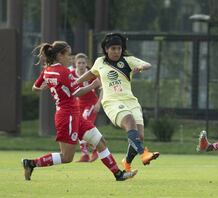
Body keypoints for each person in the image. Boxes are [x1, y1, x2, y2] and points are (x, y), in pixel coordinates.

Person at [22, 41, 137, 181]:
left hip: (73, 114)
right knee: (66, 157)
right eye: (68, 55)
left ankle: (118, 174)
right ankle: (31, 163)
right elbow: (76, 93)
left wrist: (46, 87)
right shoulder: (64, 72)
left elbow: (35, 87)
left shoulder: (46, 70)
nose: (70, 58)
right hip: (67, 116)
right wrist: (93, 85)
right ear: (59, 55)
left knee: (100, 142)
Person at [76, 33, 159, 172]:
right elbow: (90, 73)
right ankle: (143, 153)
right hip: (112, 102)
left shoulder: (128, 60)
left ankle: (126, 161)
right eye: (113, 48)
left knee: (140, 136)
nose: (116, 51)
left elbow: (148, 64)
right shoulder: (100, 62)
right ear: (106, 49)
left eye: (119, 48)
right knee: (130, 122)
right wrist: (74, 82)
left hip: (131, 101)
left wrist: (142, 67)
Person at [71, 53, 102, 162]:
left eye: (83, 63)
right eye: (79, 63)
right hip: (78, 104)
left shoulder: (91, 74)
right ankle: (86, 153)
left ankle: (94, 150)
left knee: (84, 125)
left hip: (91, 103)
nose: (81, 65)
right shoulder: (71, 74)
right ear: (75, 64)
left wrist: (99, 103)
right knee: (79, 127)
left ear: (87, 64)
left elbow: (103, 88)